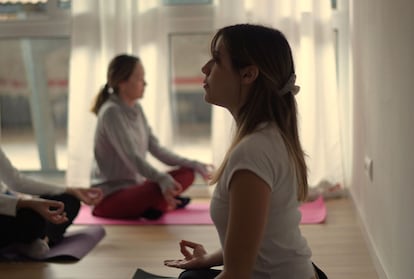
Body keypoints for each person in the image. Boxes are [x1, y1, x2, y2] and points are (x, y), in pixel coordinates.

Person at [164, 24, 327, 279]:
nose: (205, 68)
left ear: (248, 74)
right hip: (302, 273)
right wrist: (208, 259)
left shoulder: (253, 151)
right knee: (190, 277)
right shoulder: (269, 135)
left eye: (217, 60)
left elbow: (236, 275)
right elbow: (264, 237)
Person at [90, 54, 212, 220]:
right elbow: (132, 157)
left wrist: (194, 164)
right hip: (110, 197)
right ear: (122, 82)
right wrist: (162, 179)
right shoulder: (111, 112)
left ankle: (158, 204)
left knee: (187, 173)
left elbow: (156, 149)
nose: (145, 83)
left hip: (135, 188)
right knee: (160, 186)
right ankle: (161, 203)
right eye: (140, 78)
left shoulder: (136, 109)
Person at [0, 147, 103, 259]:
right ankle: (32, 240)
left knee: (68, 200)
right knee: (32, 218)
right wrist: (24, 203)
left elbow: (17, 181)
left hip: (12, 203)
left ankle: (41, 239)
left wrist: (70, 190)